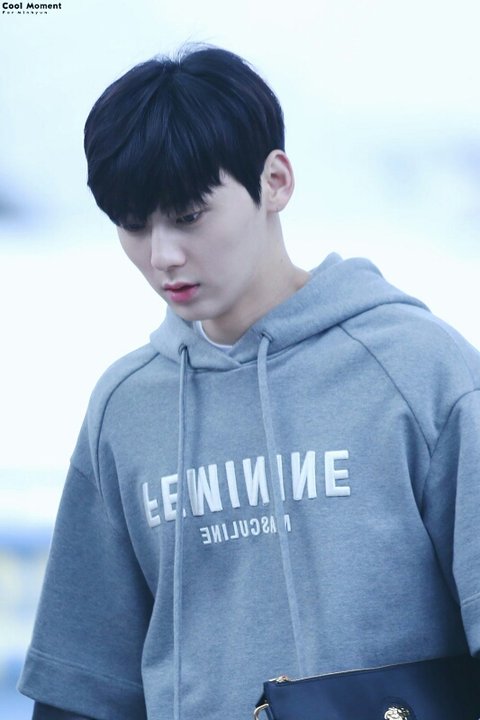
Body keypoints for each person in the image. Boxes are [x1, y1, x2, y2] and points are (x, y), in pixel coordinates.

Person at [18, 45, 480, 720]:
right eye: (133, 225)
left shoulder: (417, 368)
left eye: (188, 215)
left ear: (275, 182)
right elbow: (82, 690)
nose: (162, 254)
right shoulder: (127, 408)